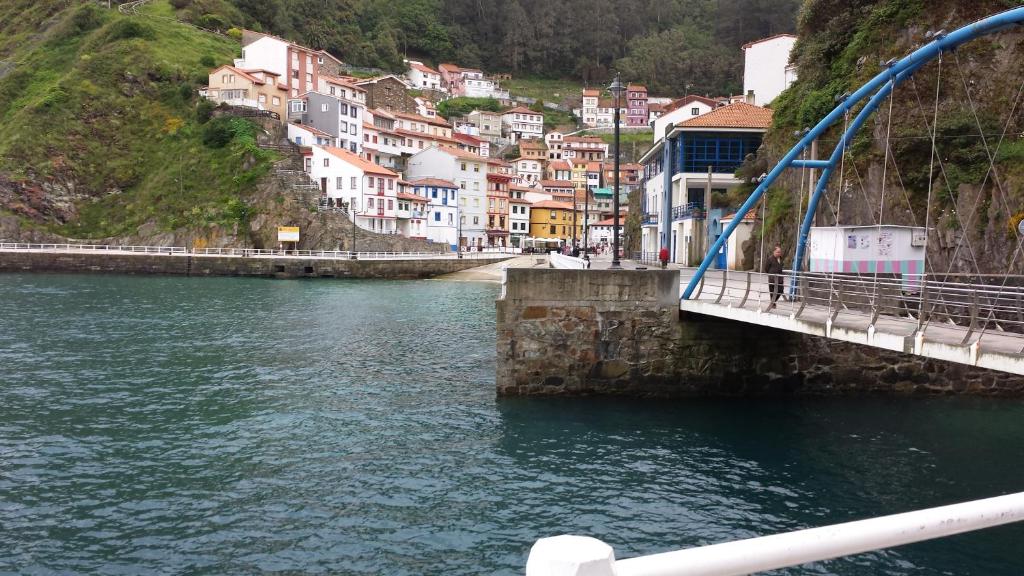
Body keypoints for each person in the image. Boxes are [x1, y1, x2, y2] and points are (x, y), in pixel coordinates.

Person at [764, 245, 785, 309]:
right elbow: (766, 268)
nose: (779, 253)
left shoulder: (781, 258)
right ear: (774, 252)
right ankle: (773, 303)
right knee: (772, 291)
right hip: (772, 278)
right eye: (777, 252)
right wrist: (771, 274)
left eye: (780, 252)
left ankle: (773, 301)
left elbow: (781, 267)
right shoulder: (770, 259)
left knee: (780, 290)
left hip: (780, 278)